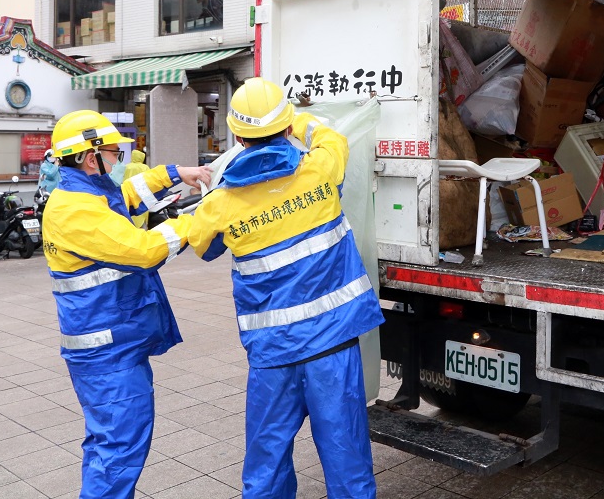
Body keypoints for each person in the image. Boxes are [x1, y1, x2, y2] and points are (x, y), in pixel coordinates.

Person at [186, 78, 383, 499]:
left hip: (272, 356)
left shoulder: (221, 202)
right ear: (289, 127)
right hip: (332, 346)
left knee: (266, 465)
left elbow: (203, 246)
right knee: (347, 463)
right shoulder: (320, 170)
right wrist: (304, 122)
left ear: (237, 136)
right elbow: (333, 139)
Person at [41, 110, 211, 499]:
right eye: (115, 153)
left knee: (110, 445)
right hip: (107, 353)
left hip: (111, 346)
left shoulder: (85, 192)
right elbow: (144, 250)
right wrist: (195, 218)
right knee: (118, 449)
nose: (119, 159)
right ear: (91, 157)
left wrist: (175, 173)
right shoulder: (77, 211)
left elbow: (126, 199)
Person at [123, 150, 151, 228]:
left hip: (127, 195)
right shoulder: (145, 167)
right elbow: (149, 181)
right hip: (141, 197)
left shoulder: (126, 167)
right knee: (141, 217)